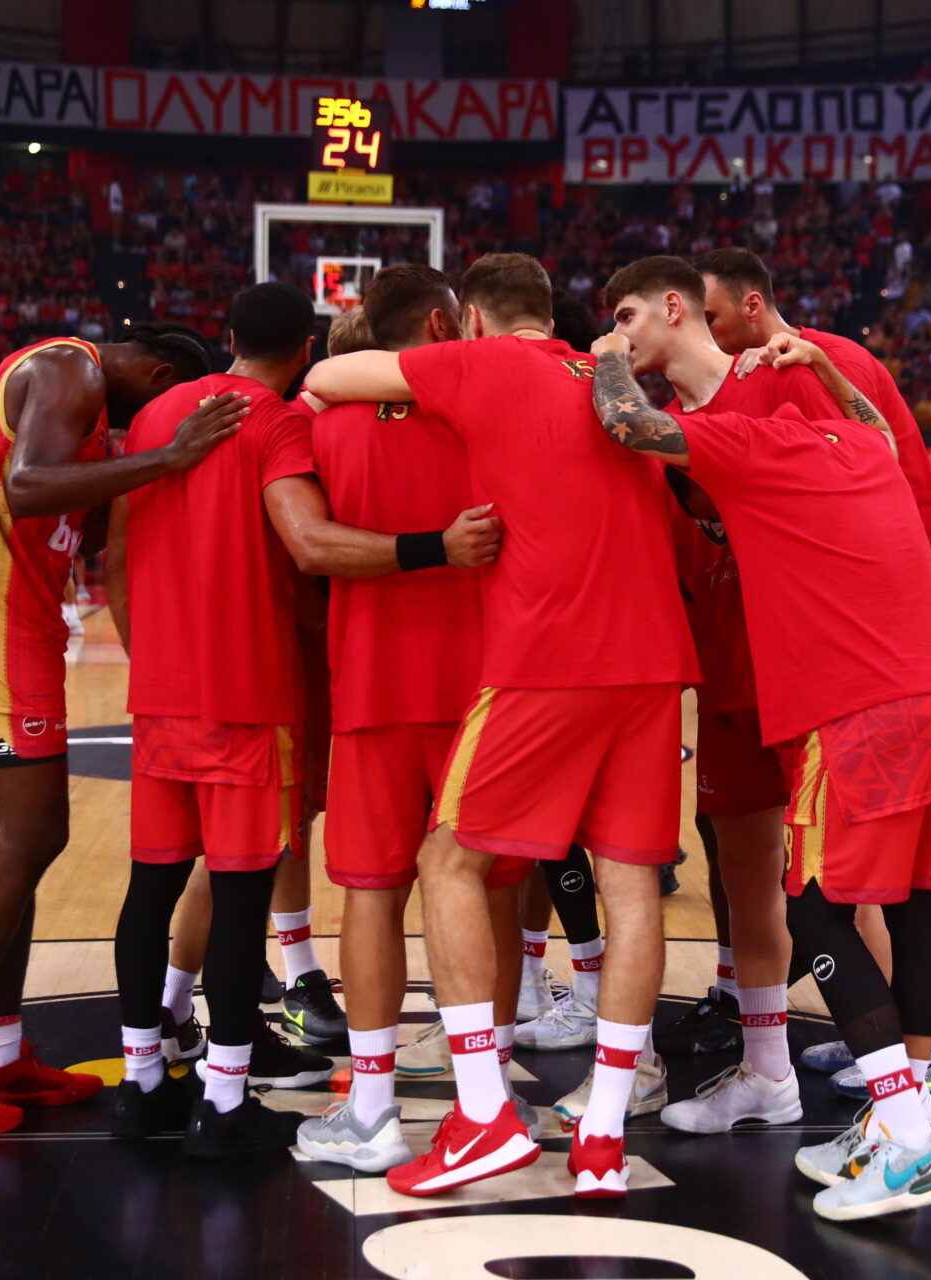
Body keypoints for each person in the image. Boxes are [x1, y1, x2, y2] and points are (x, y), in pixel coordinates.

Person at [304, 253, 697, 1200]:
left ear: (470, 321)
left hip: (548, 656)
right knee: (632, 888)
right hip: (655, 660)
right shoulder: (611, 378)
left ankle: (482, 1113)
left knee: (445, 862)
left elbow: (330, 372)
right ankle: (603, 1135)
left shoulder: (483, 365)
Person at [587, 352, 931, 1223]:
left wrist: (606, 355)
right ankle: (894, 1121)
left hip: (860, 708)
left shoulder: (756, 450)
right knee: (922, 915)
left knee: (811, 909)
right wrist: (826, 369)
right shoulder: (862, 445)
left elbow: (628, 422)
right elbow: (878, 424)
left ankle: (911, 1141)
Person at [0, 324, 232, 1138]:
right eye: (164, 406)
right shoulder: (73, 367)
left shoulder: (90, 410)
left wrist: (161, 480)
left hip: (17, 620)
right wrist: (169, 455)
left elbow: (78, 517)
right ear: (159, 377)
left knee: (17, 837)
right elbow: (30, 484)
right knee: (32, 833)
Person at [697, 248, 931, 1093]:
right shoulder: (771, 373)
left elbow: (875, 475)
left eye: (714, 315)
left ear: (754, 307)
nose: (711, 332)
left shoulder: (820, 363)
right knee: (876, 845)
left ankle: (918, 1060)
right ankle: (903, 1045)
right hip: (887, 603)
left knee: (889, 839)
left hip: (921, 588)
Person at [260, 275, 515, 1171]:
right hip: (485, 686)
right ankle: (493, 1090)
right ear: (443, 323)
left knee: (371, 894)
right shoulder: (487, 411)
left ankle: (371, 1111)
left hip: (370, 686)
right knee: (489, 888)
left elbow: (306, 546)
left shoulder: (316, 421)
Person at [601, 256, 849, 1127]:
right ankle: (767, 1072)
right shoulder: (660, 433)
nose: (616, 337)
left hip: (815, 664)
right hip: (729, 669)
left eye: (626, 317)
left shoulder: (779, 375)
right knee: (746, 877)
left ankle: (907, 1067)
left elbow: (868, 485)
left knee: (843, 881)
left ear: (673, 307)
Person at [103, 284, 339, 1159]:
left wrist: (150, 654)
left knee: (150, 889)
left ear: (230, 334)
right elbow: (306, 548)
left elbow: (116, 557)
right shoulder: (278, 423)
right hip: (247, 693)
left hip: (161, 692)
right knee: (241, 899)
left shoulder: (154, 415)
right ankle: (227, 1101)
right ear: (306, 349)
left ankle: (141, 1086)